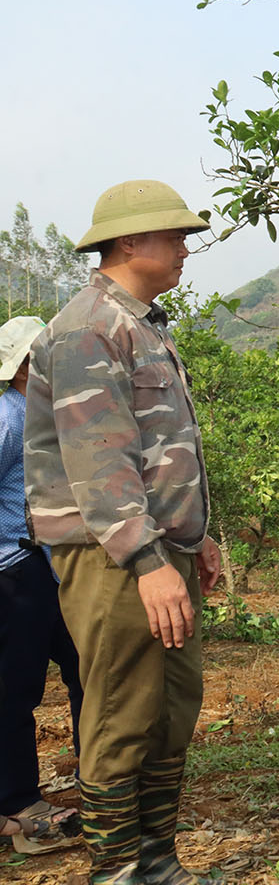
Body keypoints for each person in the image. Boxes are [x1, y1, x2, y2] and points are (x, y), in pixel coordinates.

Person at [25, 180, 228, 885]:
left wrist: (193, 536)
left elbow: (160, 449)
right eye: (174, 236)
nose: (185, 249)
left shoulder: (142, 325)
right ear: (131, 242)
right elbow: (100, 460)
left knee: (171, 708)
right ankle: (112, 876)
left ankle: (155, 857)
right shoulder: (88, 328)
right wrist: (145, 560)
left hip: (160, 549)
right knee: (121, 710)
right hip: (112, 557)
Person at [0, 315, 84, 854]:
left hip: (54, 567)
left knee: (86, 670)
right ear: (26, 366)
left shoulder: (47, 416)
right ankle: (19, 803)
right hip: (17, 569)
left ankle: (98, 778)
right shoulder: (8, 418)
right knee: (15, 690)